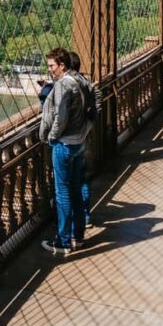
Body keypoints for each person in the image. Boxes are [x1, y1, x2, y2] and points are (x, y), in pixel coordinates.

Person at [39, 48, 89, 255]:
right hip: (79, 142)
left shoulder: (62, 86)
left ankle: (63, 241)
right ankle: (78, 236)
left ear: (62, 65)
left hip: (65, 144)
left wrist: (51, 137)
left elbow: (59, 117)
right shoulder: (81, 81)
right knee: (76, 190)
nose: (50, 70)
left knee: (62, 194)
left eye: (52, 66)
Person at [68, 51, 98, 231]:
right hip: (85, 136)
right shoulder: (87, 83)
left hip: (72, 139)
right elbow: (98, 101)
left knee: (70, 182)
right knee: (83, 178)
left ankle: (73, 222)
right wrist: (89, 125)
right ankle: (85, 215)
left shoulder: (68, 85)